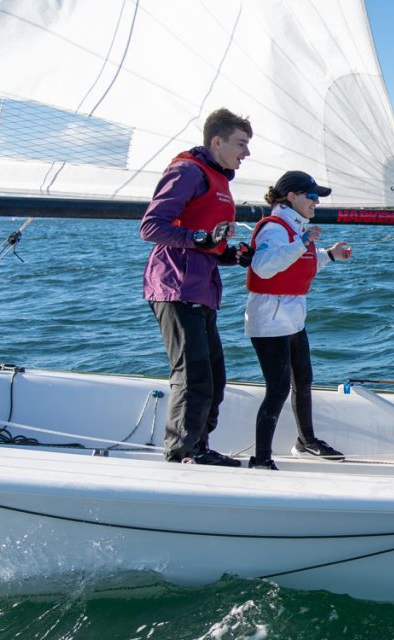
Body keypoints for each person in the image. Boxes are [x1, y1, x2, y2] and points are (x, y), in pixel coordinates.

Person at [140, 108, 253, 466]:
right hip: (175, 286)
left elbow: (206, 244)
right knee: (193, 376)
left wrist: (230, 254)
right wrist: (201, 238)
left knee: (215, 377)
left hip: (202, 288)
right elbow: (151, 227)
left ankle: (198, 446)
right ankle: (182, 453)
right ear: (216, 141)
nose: (246, 153)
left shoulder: (220, 179)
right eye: (241, 143)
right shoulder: (188, 170)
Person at [244, 171, 353, 470]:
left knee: (303, 381)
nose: (316, 202)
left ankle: (306, 442)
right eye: (312, 196)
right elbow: (264, 267)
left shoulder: (294, 227)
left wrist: (329, 255)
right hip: (269, 320)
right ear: (290, 196)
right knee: (278, 388)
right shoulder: (274, 228)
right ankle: (262, 460)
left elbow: (298, 261)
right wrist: (301, 242)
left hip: (292, 317)